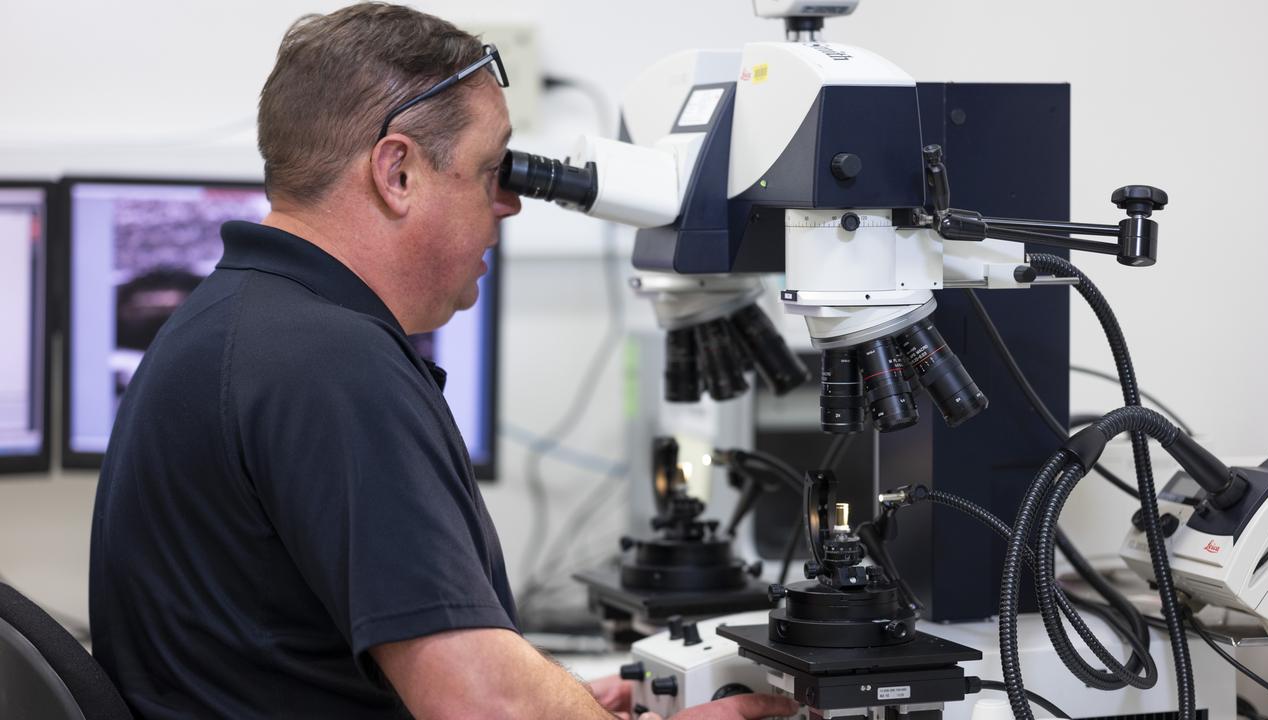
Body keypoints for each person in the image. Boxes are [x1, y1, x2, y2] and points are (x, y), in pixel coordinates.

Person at [88, 4, 799, 720]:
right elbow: (478, 706)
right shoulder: (331, 362)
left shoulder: (236, 319)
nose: (511, 203)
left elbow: (460, 682)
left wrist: (559, 704)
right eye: (491, 170)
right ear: (397, 171)